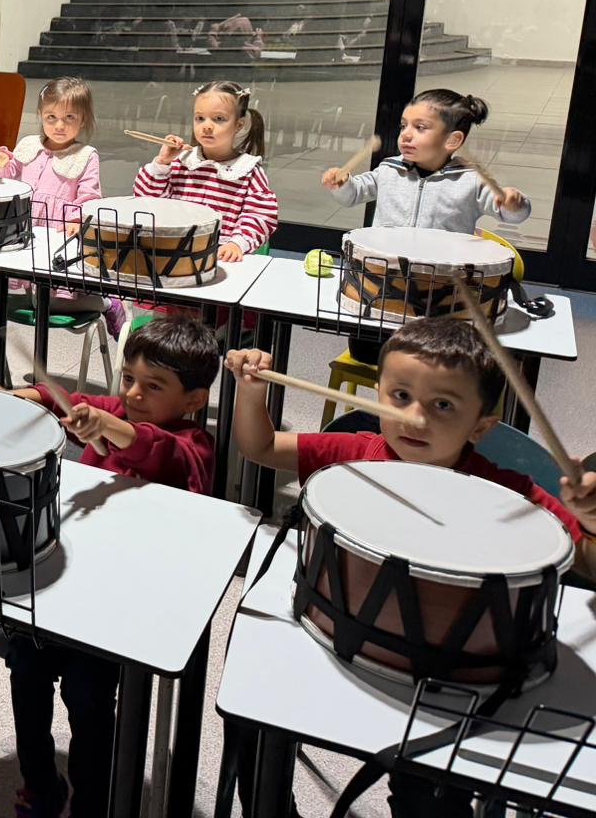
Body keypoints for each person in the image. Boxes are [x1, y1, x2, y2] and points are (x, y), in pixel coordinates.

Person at [227, 318, 596, 817]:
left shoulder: (507, 493)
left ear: (480, 426)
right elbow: (261, 447)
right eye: (400, 396)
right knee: (253, 723)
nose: (415, 418)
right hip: (334, 640)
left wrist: (590, 523)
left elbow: (586, 563)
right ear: (378, 392)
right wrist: (251, 392)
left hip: (450, 678)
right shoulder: (356, 454)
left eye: (443, 405)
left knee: (432, 793)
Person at [4, 317, 220, 818]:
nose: (133, 394)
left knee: (89, 696)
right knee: (25, 666)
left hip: (128, 603)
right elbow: (70, 400)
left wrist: (110, 427)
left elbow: (156, 449)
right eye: (127, 379)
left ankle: (92, 804)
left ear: (194, 399)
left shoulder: (196, 446)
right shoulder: (119, 408)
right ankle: (41, 784)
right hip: (72, 582)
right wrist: (25, 397)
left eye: (153, 386)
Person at [321, 88, 530, 362]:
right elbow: (354, 193)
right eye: (403, 126)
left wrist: (514, 204)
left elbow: (510, 212)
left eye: (420, 127)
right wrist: (342, 183)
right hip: (383, 295)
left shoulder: (471, 181)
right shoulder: (389, 169)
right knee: (368, 355)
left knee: (430, 364)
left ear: (453, 140)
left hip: (441, 299)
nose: (406, 135)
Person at [0, 75, 124, 338]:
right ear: (41, 115)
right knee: (31, 290)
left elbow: (90, 197)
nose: (59, 125)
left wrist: (76, 219)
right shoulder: (29, 145)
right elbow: (8, 175)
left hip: (59, 234)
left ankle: (107, 303)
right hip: (28, 230)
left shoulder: (85, 155)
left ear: (83, 119)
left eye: (69, 117)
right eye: (52, 117)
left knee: (52, 299)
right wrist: (1, 162)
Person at [134, 80, 278, 262]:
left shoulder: (247, 170)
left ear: (239, 125)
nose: (207, 126)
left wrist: (237, 243)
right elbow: (146, 202)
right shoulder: (181, 161)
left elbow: (260, 215)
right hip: (171, 251)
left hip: (219, 256)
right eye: (200, 118)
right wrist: (162, 163)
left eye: (219, 119)